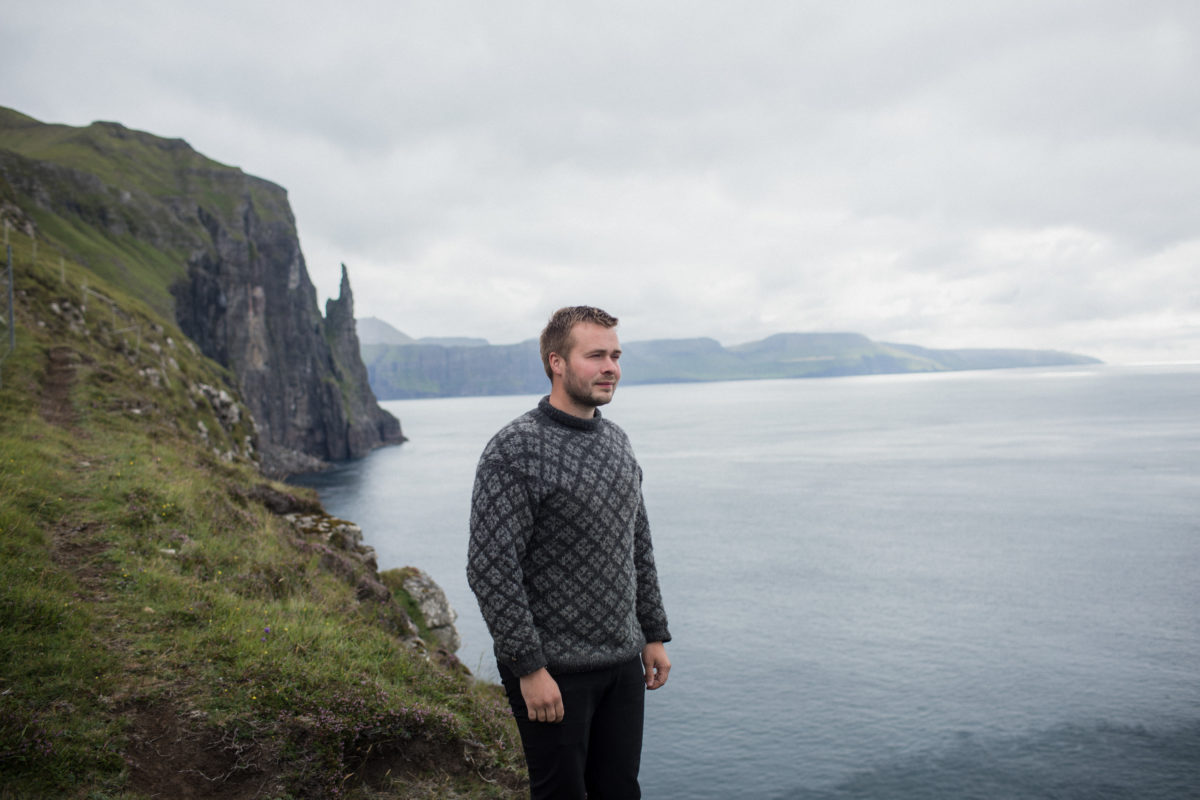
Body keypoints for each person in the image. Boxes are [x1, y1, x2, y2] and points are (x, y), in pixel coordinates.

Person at [467, 305, 672, 799]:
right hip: (553, 673)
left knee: (620, 792)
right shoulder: (514, 449)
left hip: (622, 663)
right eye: (596, 355)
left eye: (616, 355)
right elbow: (491, 568)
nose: (611, 368)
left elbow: (636, 543)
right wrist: (529, 669)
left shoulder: (617, 441)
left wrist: (653, 633)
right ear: (556, 362)